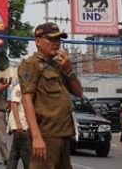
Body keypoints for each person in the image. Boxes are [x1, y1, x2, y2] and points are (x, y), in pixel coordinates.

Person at [19, 22, 83, 169]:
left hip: (63, 135)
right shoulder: (31, 65)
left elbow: (79, 93)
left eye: (58, 40)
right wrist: (36, 137)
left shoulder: (57, 66)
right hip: (46, 136)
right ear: (37, 41)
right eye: (51, 39)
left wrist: (69, 69)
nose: (56, 43)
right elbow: (27, 100)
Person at [8, 79, 31, 169]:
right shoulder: (19, 88)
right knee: (26, 152)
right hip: (21, 124)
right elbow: (14, 104)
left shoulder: (29, 88)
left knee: (15, 152)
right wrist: (18, 124)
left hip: (24, 124)